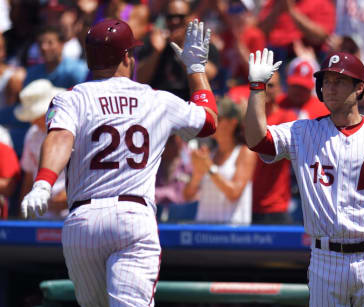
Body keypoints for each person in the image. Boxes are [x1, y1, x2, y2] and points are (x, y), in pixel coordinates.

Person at [20, 18, 217, 306]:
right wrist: (196, 69)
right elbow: (209, 121)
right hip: (132, 216)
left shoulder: (71, 98)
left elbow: (60, 138)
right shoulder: (156, 99)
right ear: (127, 56)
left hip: (83, 223)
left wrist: (42, 184)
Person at [245, 49, 364, 305]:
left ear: (359, 88)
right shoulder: (302, 131)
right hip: (325, 258)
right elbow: (256, 139)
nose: (330, 87)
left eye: (339, 81)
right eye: (326, 81)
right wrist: (257, 88)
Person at [183, 97, 256, 224]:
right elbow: (187, 196)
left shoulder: (245, 152)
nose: (213, 122)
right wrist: (197, 175)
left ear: (232, 123)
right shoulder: (209, 154)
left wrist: (210, 168)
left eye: (218, 119)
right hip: (203, 233)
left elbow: (234, 193)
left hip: (233, 235)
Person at [15, 79, 68, 219]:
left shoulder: (72, 130)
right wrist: (24, 216)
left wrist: (69, 196)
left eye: (35, 116)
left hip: (72, 212)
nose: (32, 121)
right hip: (41, 214)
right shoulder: (31, 135)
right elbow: (28, 176)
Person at [252, 72, 297, 224]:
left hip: (275, 203)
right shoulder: (248, 116)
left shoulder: (287, 117)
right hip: (247, 202)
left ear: (279, 88)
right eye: (262, 85)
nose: (266, 89)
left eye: (270, 85)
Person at [23, 25, 88, 88]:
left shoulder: (77, 70)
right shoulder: (32, 73)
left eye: (50, 43)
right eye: (40, 43)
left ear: (62, 44)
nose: (43, 47)